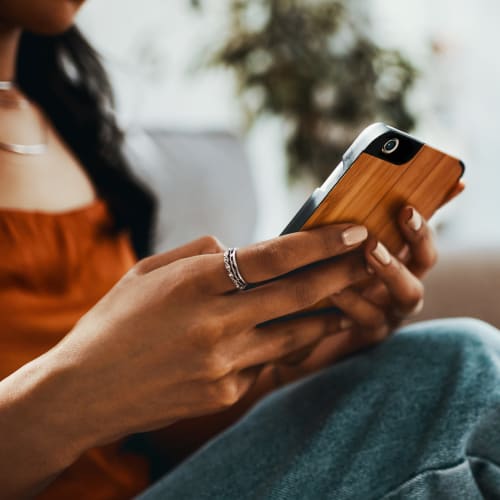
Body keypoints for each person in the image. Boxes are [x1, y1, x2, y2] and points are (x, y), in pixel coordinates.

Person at [0, 2, 498, 499]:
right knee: (464, 368)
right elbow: (94, 400)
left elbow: (147, 436)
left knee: (427, 373)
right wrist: (79, 393)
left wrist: (305, 350)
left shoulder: (60, 114)